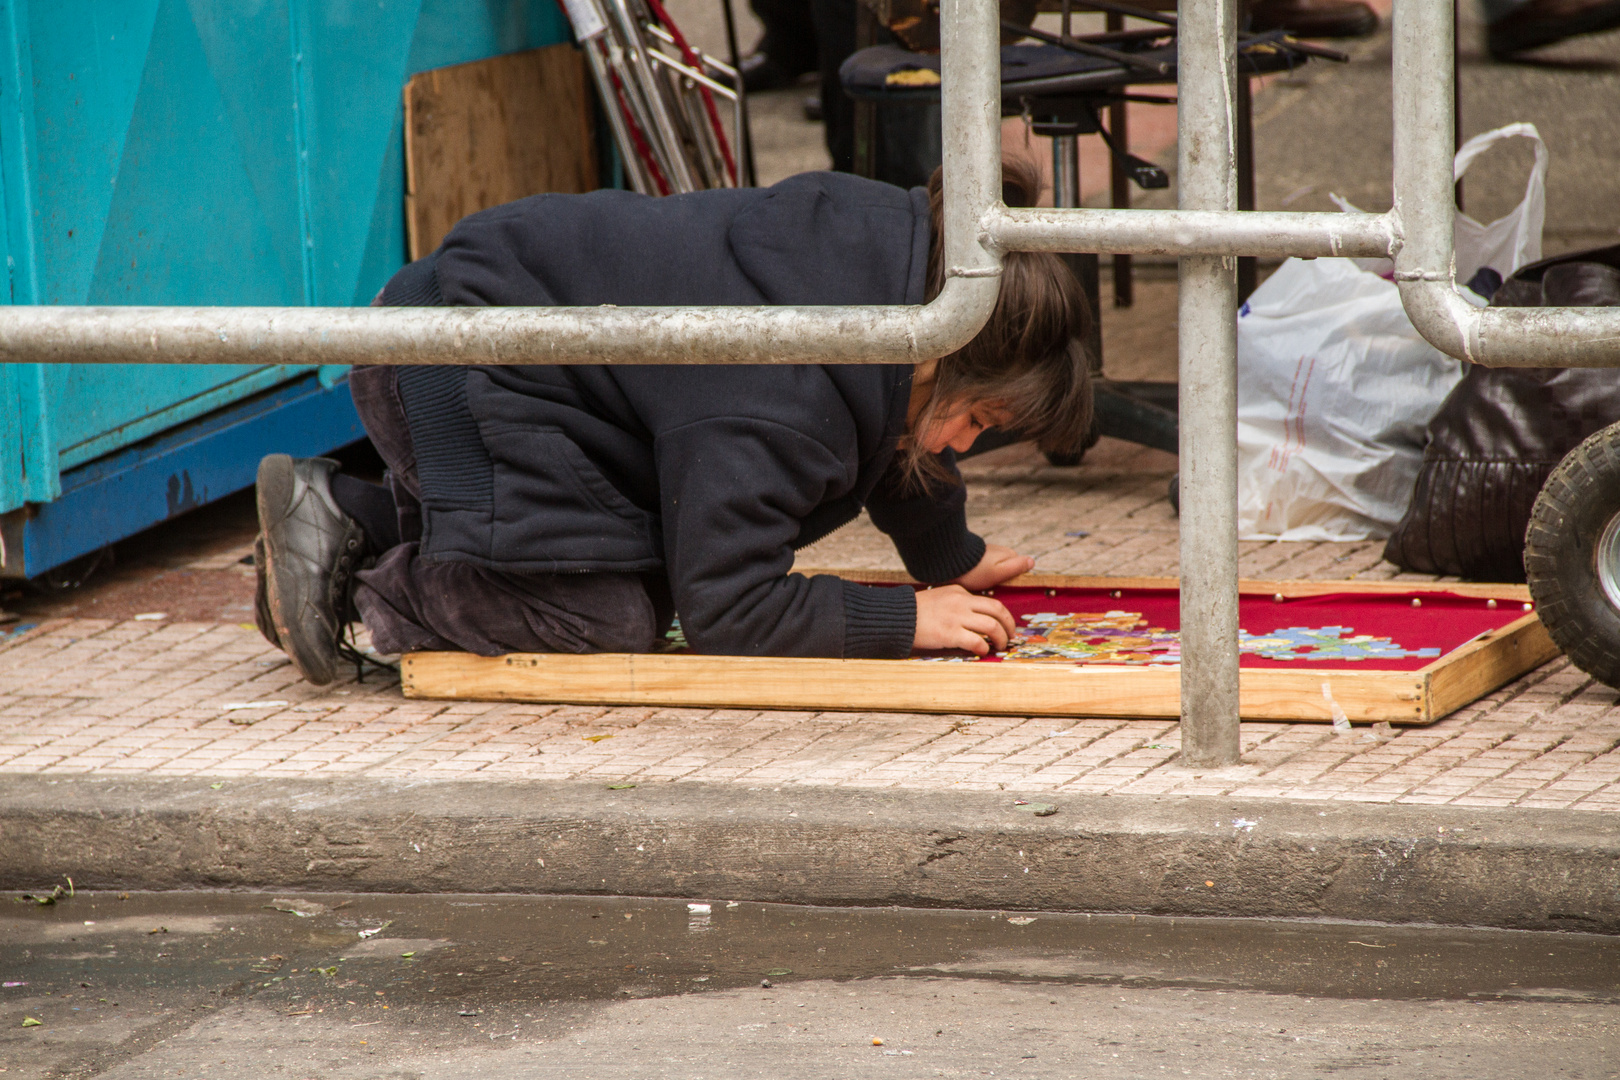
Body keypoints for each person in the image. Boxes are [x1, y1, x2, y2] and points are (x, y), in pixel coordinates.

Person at [253, 158, 1092, 687]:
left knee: (641, 578)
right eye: (977, 419)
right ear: (939, 355)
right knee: (608, 621)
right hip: (451, 355)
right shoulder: (785, 393)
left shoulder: (901, 265)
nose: (963, 447)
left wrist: (950, 558)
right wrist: (906, 621)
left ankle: (345, 519)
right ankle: (367, 596)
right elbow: (729, 611)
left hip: (490, 335)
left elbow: (895, 428)